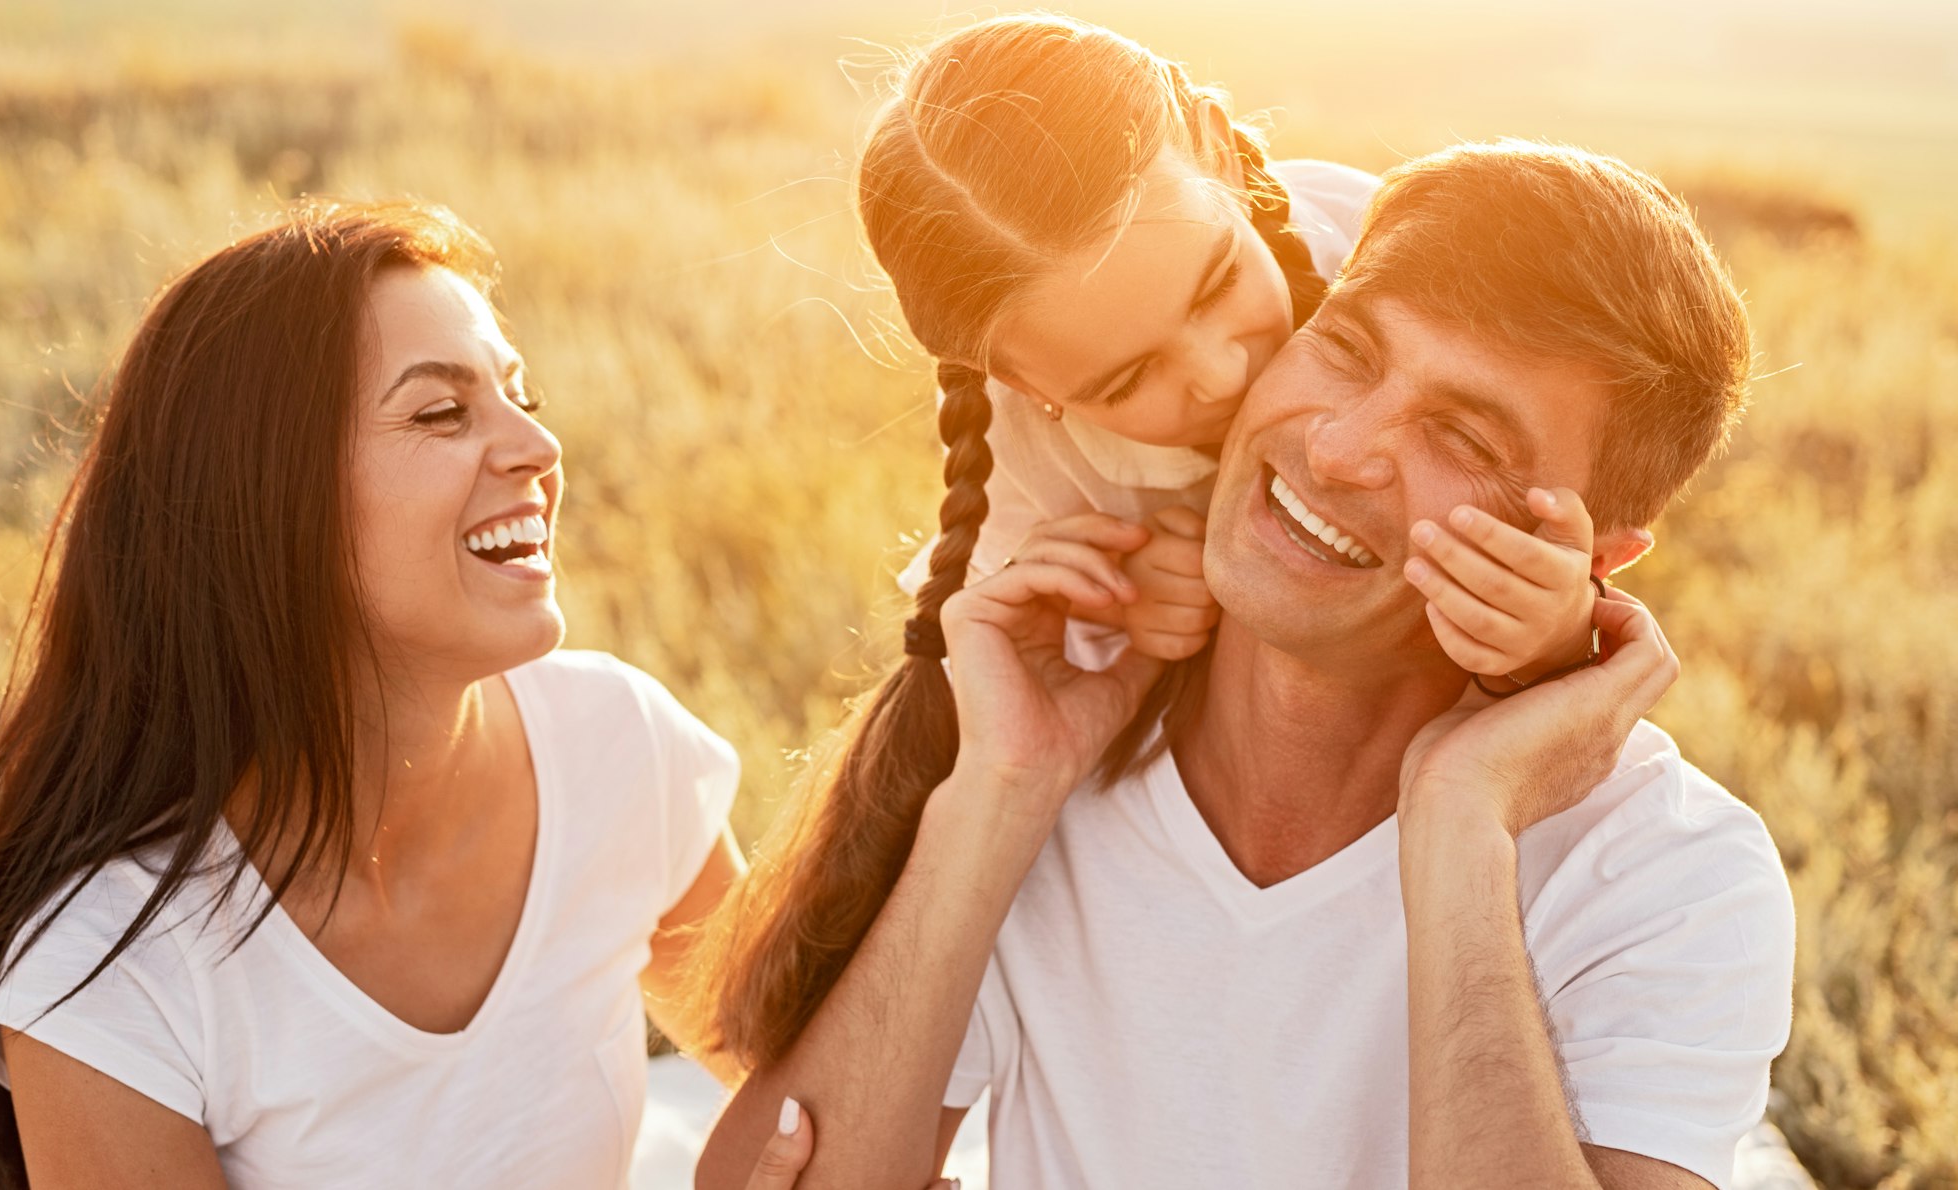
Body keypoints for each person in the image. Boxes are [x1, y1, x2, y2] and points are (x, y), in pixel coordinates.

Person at [695, 139, 1795, 1190]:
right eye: (1346, 350)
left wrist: (1461, 819)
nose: (1336, 447)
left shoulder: (1671, 880)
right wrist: (1003, 786)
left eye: (1460, 438)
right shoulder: (1060, 728)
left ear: (1593, 556)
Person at [692, 14, 1611, 1074]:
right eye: (1124, 382)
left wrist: (1550, 633)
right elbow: (1031, 666)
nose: (1218, 375)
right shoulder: (1035, 463)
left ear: (1217, 156)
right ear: (1029, 390)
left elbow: (1547, 464)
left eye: (1217, 283)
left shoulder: (1373, 246)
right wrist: (1134, 597)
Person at [0, 202, 796, 1189]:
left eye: (521, 396)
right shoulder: (110, 967)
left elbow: (802, 1102)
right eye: (442, 412)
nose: (536, 446)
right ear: (268, 499)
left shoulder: (613, 742)